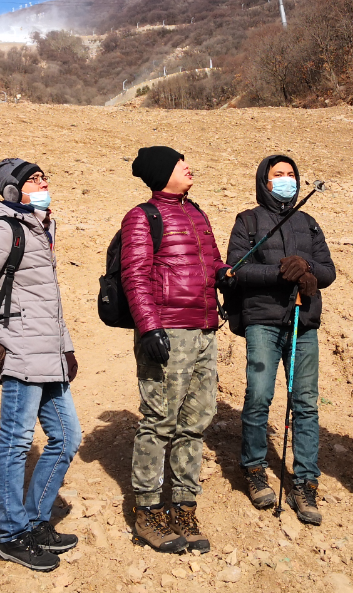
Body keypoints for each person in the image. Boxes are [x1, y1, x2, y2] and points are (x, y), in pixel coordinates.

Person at [0, 158, 81, 572]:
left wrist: (66, 347)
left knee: (67, 437)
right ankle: (11, 535)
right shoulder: (5, 229)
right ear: (12, 190)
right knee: (14, 443)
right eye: (32, 180)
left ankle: (35, 519)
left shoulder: (42, 228)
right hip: (18, 354)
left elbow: (49, 301)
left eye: (44, 177)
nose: (43, 184)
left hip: (48, 356)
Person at [120, 146, 233, 555]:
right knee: (159, 421)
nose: (188, 166)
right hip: (168, 333)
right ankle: (148, 512)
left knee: (196, 421)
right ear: (161, 172)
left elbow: (212, 262)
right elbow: (134, 275)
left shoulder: (197, 212)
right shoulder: (142, 217)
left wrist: (226, 276)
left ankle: (184, 506)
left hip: (204, 330)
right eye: (178, 162)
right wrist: (149, 328)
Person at [225, 155, 335, 524]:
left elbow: (328, 270)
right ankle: (255, 468)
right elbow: (236, 269)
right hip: (262, 321)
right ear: (264, 181)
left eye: (291, 175)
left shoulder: (309, 222)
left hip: (303, 323)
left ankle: (305, 481)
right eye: (279, 175)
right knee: (259, 395)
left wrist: (306, 269)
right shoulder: (248, 220)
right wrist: (280, 273)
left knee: (305, 403)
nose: (287, 180)